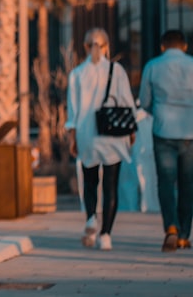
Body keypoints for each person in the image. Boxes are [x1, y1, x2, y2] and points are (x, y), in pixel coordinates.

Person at [65, 27, 137, 251]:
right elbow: (127, 103)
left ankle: (90, 219)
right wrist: (131, 132)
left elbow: (73, 111)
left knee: (89, 181)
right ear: (106, 46)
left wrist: (72, 138)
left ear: (85, 47)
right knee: (110, 186)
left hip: (87, 135)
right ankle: (105, 235)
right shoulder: (117, 71)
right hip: (112, 136)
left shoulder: (77, 74)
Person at [139, 29, 193, 252]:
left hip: (162, 130)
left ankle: (170, 226)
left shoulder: (152, 66)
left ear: (163, 46)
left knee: (166, 182)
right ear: (185, 46)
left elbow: (144, 101)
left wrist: (158, 110)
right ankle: (183, 236)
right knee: (188, 183)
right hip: (190, 131)